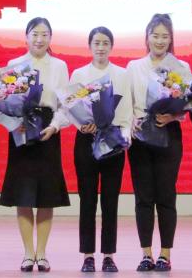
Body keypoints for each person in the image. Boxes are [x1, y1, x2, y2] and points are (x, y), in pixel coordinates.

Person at [0, 17, 70, 272]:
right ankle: (28, 253)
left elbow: (65, 104)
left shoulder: (59, 66)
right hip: (21, 131)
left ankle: (42, 253)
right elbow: (2, 102)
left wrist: (55, 126)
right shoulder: (14, 65)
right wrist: (13, 124)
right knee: (24, 194)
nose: (39, 39)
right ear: (26, 37)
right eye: (35, 34)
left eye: (44, 34)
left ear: (50, 38)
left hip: (48, 130)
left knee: (46, 196)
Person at [63, 26, 133, 273]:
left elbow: (126, 110)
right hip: (86, 141)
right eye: (96, 43)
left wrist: (123, 135)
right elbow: (69, 106)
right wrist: (81, 125)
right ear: (90, 46)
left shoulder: (122, 74)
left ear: (111, 46)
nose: (101, 47)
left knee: (110, 200)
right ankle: (88, 255)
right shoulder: (79, 74)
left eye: (105, 43)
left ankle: (109, 255)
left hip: (113, 140)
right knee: (88, 199)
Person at [126, 13, 190, 272]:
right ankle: (145, 253)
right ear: (147, 37)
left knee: (166, 195)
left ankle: (165, 254)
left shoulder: (181, 67)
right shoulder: (134, 67)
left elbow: (189, 104)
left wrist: (173, 115)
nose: (160, 41)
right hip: (141, 135)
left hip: (168, 134)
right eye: (155, 35)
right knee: (143, 197)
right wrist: (131, 119)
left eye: (165, 36)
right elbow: (127, 102)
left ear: (171, 39)